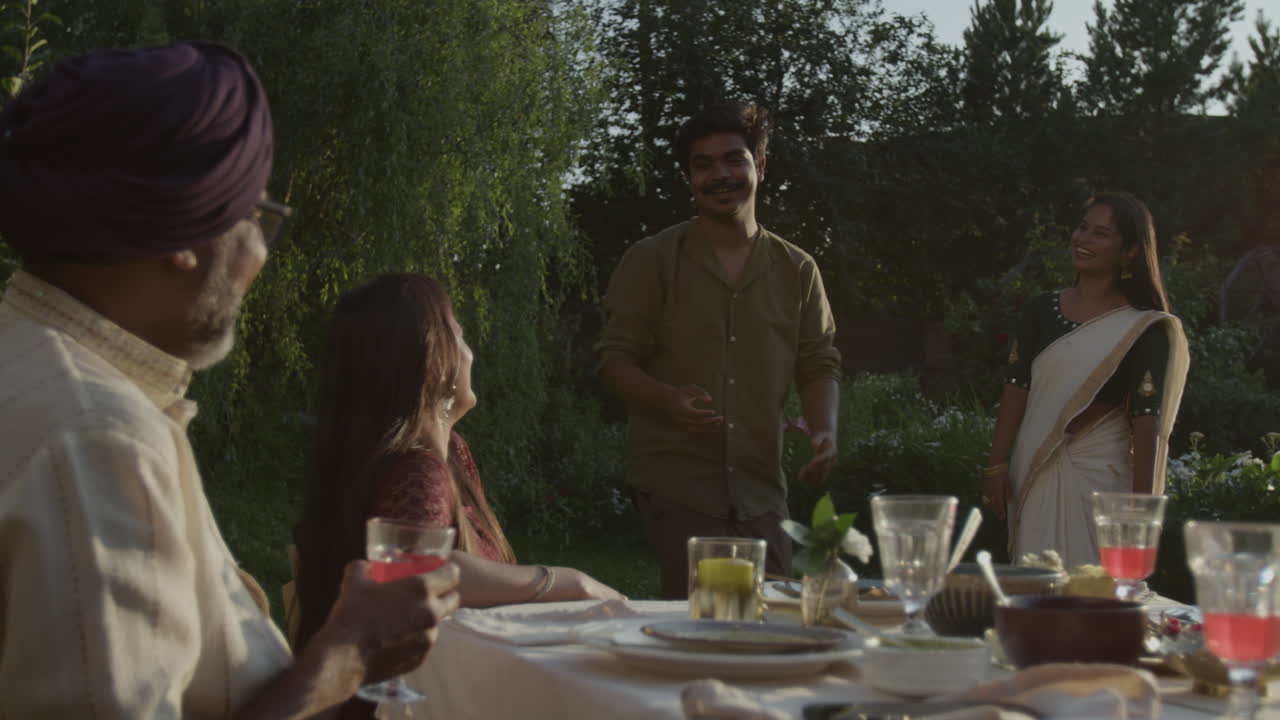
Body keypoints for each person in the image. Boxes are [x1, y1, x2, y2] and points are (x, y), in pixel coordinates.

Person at [0, 43, 460, 718]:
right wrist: (349, 656)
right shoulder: (97, 435)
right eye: (255, 218)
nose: (257, 258)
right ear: (183, 234)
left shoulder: (30, 369)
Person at [294, 273, 623, 713]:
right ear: (434, 359)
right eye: (460, 334)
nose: (470, 351)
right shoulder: (418, 470)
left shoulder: (437, 455)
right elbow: (413, 569)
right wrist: (569, 582)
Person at [598, 102, 842, 598]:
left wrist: (824, 431)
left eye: (734, 160)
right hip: (678, 481)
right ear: (689, 177)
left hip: (760, 484)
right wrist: (667, 399)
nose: (719, 175)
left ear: (761, 166)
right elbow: (615, 362)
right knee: (700, 618)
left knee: (771, 615)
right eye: (703, 165)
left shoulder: (798, 269)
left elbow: (818, 361)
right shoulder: (651, 261)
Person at [983, 192, 1190, 569]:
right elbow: (1016, 388)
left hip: (1100, 478)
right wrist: (997, 465)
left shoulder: (1146, 327)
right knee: (1033, 586)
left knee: (1095, 592)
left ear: (1129, 251)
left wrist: (1140, 514)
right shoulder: (1040, 310)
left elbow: (1148, 423)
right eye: (1082, 228)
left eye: (1100, 234)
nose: (1083, 239)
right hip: (1034, 468)